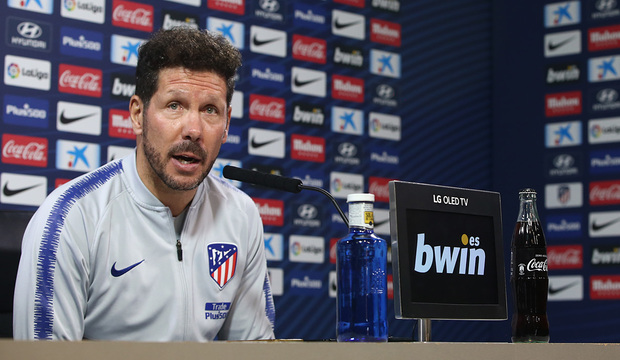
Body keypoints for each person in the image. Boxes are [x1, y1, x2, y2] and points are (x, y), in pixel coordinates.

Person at [13, 28, 275, 341]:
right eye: (175, 105)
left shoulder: (240, 214)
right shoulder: (71, 218)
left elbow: (256, 350)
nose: (193, 129)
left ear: (227, 124)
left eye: (210, 110)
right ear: (138, 115)